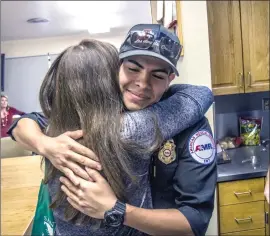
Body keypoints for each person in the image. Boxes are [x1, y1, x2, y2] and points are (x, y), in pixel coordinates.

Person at [8, 24, 217, 236]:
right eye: (133, 69)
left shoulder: (188, 123)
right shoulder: (86, 120)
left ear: (169, 79)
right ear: (115, 70)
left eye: (157, 76)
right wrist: (44, 144)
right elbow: (24, 122)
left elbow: (195, 221)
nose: (142, 84)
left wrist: (117, 210)